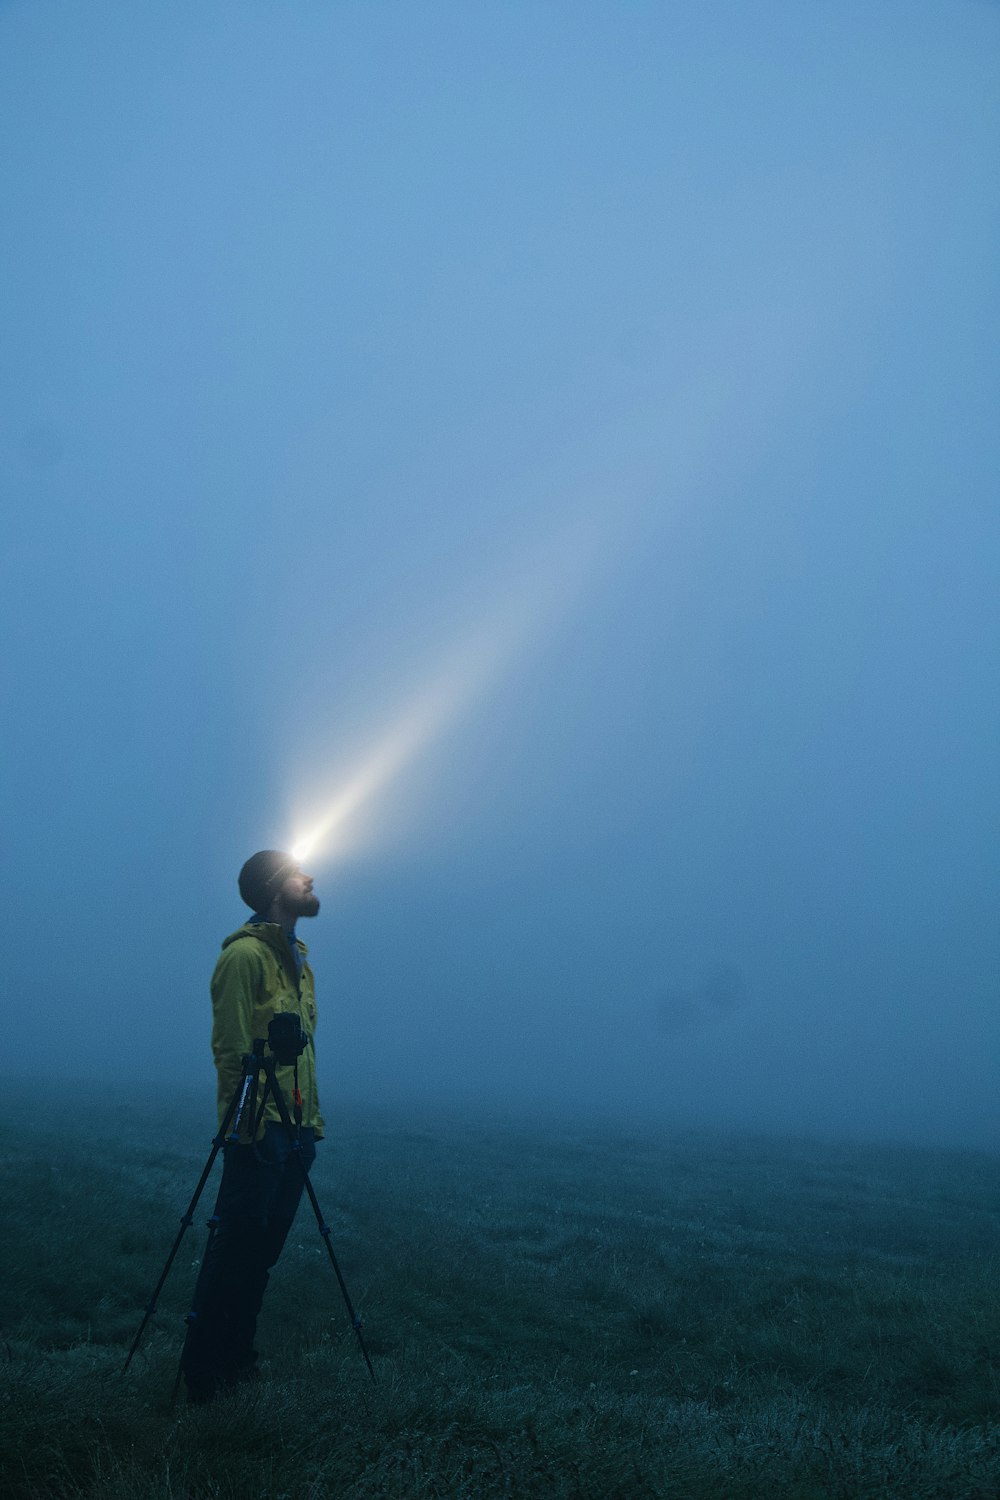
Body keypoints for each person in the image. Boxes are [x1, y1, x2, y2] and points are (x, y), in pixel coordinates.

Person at [180, 849, 325, 1403]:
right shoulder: (243, 958)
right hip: (260, 1128)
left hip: (298, 1127)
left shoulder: (300, 961)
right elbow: (232, 1049)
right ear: (272, 888)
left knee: (262, 1257)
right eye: (297, 872)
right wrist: (246, 1127)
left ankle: (238, 1358)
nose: (309, 878)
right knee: (235, 1250)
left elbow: (303, 1053)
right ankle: (205, 1373)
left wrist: (311, 1123)